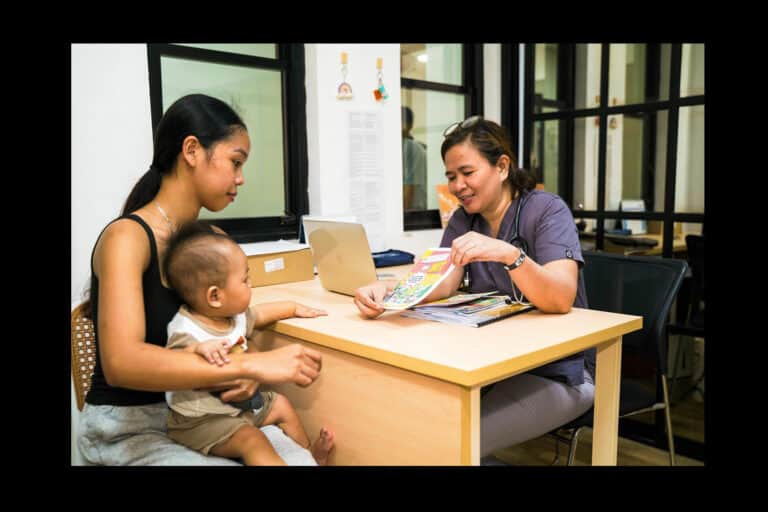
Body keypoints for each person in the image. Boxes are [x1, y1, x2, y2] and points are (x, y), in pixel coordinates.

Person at [78, 93, 324, 466]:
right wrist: (249, 367)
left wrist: (248, 370)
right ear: (191, 150)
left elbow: (226, 327)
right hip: (129, 427)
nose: (240, 179)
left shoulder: (211, 239)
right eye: (235, 162)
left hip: (203, 413)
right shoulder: (126, 238)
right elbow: (121, 362)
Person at [354, 116, 595, 462]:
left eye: (467, 173)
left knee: (449, 444)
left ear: (501, 166)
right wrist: (389, 289)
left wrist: (509, 254)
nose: (457, 185)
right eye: (451, 176)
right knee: (411, 426)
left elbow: (560, 298)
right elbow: (443, 281)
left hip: (562, 373)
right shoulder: (463, 219)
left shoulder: (547, 210)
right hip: (497, 366)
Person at [162, 222, 335, 465]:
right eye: (245, 280)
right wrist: (197, 350)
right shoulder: (186, 329)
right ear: (215, 296)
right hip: (201, 421)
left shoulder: (234, 317)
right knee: (253, 440)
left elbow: (261, 313)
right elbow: (172, 364)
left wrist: (294, 307)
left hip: (241, 409)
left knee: (282, 405)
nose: (250, 285)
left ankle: (308, 454)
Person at [402, 106, 428, 210]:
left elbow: (409, 189)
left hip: (413, 215)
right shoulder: (397, 148)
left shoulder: (411, 148)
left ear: (409, 126)